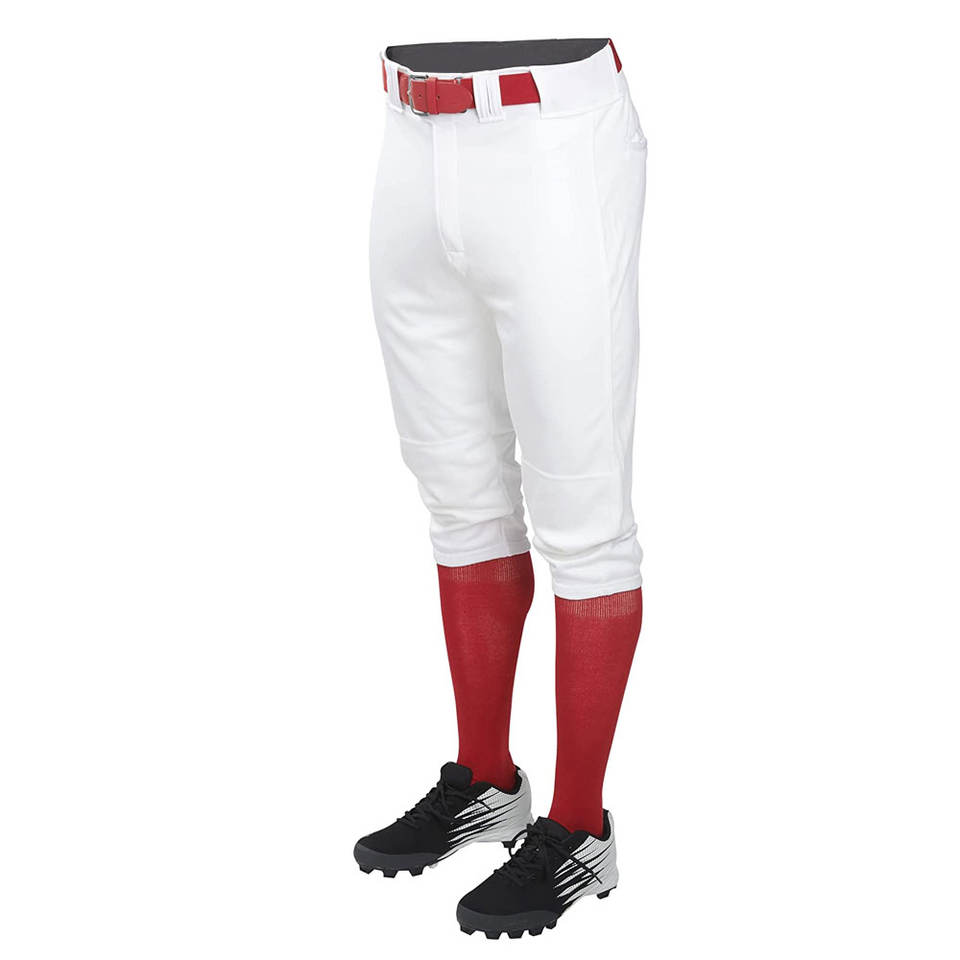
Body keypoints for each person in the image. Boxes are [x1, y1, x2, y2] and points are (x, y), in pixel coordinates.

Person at [355, 38, 647, 939]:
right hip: (411, 135)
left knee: (584, 518)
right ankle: (485, 781)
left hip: (551, 139)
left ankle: (580, 827)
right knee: (458, 496)